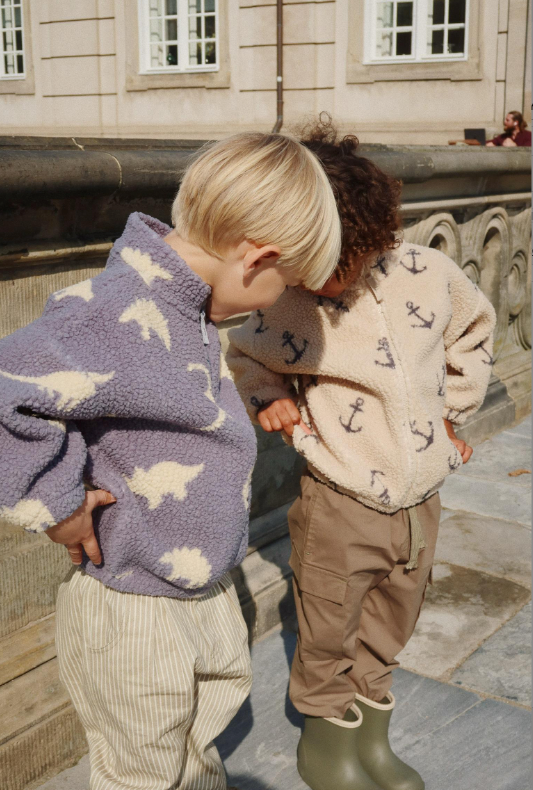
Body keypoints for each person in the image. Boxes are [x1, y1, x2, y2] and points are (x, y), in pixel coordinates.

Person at [0, 132, 341, 790]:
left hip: (190, 588)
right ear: (257, 258)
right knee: (143, 770)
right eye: (285, 286)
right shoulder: (110, 312)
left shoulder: (181, 305)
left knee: (191, 749)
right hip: (136, 605)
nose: (275, 304)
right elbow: (6, 393)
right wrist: (60, 505)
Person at [227, 120, 496, 790]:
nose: (316, 280)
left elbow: (473, 330)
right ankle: (325, 743)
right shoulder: (293, 304)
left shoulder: (427, 274)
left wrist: (452, 414)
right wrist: (269, 397)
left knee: (394, 613)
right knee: (329, 622)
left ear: (370, 237)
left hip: (419, 498)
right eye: (304, 263)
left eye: (330, 264)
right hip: (340, 499)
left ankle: (369, 732)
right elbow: (244, 354)